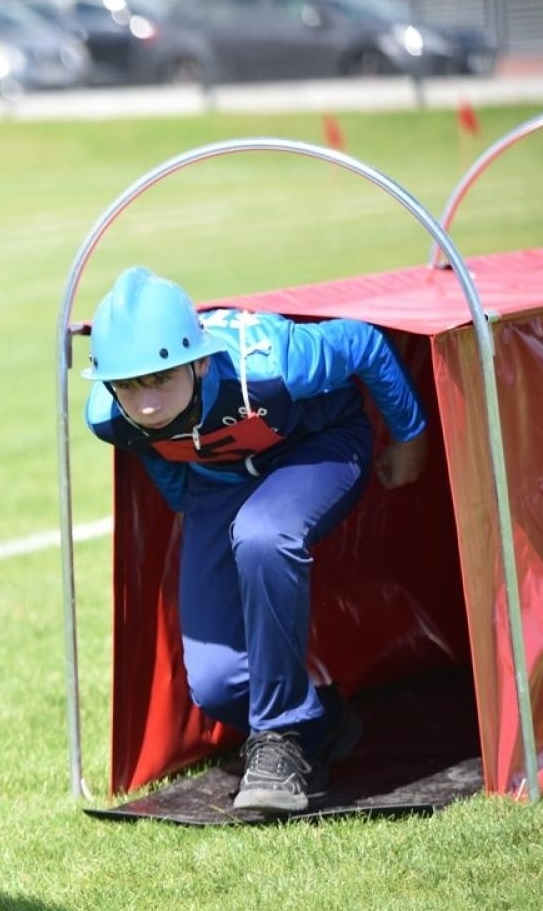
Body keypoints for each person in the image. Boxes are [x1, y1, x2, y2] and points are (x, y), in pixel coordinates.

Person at [82, 267, 429, 813]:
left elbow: (364, 343)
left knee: (264, 533)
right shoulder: (111, 417)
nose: (145, 403)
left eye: (159, 379)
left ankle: (282, 737)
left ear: (199, 360)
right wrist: (194, 507)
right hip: (218, 488)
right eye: (128, 385)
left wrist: (411, 437)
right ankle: (321, 724)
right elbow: (159, 456)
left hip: (318, 449)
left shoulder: (271, 364)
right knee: (217, 686)